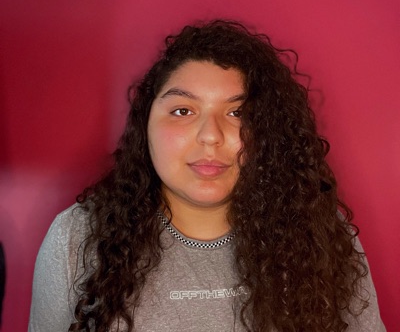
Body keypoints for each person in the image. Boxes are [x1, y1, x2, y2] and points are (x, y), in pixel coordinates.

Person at [29, 20, 385, 331]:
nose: (211, 135)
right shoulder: (76, 239)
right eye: (183, 111)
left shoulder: (320, 233)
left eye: (238, 113)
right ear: (145, 126)